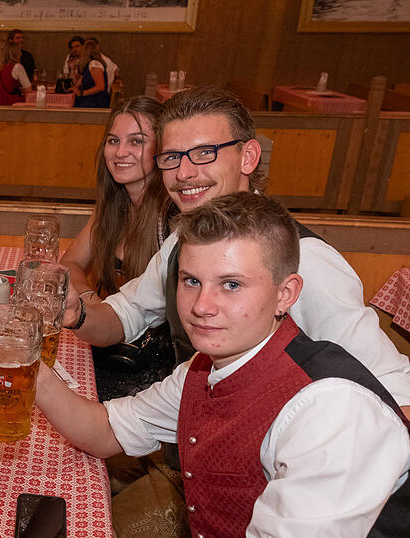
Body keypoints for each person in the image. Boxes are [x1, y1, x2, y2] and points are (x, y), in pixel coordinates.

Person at [62, 86, 410, 534]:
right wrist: (77, 314)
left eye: (204, 153)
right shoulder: (182, 245)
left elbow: (392, 393)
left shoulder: (307, 263)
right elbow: (123, 316)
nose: (184, 173)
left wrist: (310, 476)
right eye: (171, 157)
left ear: (248, 157)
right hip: (181, 442)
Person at [58, 96, 173, 401]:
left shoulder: (172, 219)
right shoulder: (112, 208)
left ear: (162, 148)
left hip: (156, 370)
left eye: (137, 141)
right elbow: (69, 264)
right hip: (111, 343)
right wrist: (92, 301)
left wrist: (94, 311)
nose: (120, 152)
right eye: (113, 140)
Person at [72, 38, 110, 108]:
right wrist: (73, 68)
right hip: (90, 99)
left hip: (96, 101)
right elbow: (77, 84)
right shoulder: (87, 66)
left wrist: (82, 93)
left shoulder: (94, 64)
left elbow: (101, 87)